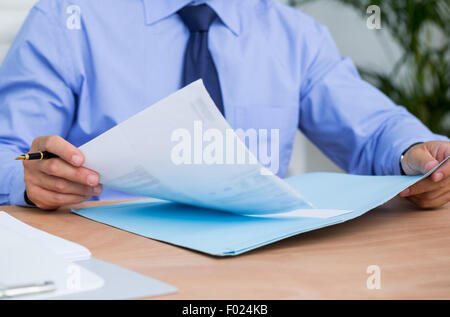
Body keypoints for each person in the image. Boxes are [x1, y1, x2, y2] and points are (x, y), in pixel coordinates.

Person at [0, 0, 448, 210]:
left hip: (259, 263)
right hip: (111, 258)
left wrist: (417, 152)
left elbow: (375, 130)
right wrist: (28, 175)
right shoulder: (65, 19)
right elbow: (10, 149)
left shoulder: (294, 34)